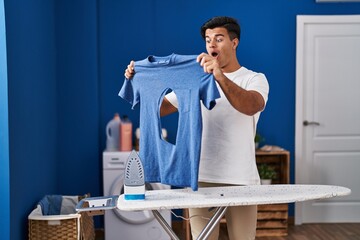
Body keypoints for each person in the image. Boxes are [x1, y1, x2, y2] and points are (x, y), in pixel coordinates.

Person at [124, 16, 269, 240]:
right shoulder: (198, 79)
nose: (211, 44)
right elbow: (159, 109)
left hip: (242, 178)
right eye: (208, 40)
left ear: (234, 42)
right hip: (200, 177)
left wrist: (220, 77)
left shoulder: (254, 78)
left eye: (219, 39)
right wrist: (139, 82)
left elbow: (251, 105)